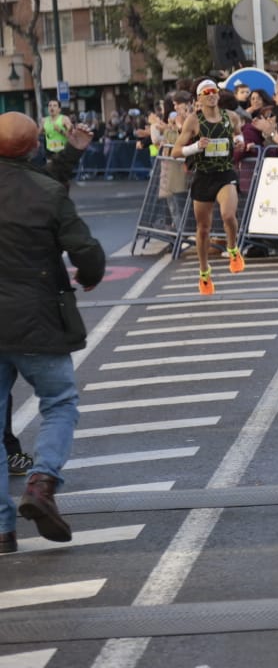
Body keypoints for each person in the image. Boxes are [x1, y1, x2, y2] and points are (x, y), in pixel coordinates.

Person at [0, 111, 105, 552]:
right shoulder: (46, 192)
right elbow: (84, 248)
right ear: (33, 146)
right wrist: (90, 272)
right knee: (59, 402)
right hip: (39, 317)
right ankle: (42, 482)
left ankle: (2, 529)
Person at [171, 78, 246, 295]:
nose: (212, 94)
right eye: (207, 92)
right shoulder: (194, 121)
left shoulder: (231, 117)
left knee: (228, 215)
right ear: (199, 98)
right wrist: (196, 146)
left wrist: (239, 140)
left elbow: (237, 132)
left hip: (225, 173)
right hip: (203, 176)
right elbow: (176, 151)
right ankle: (204, 273)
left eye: (215, 91)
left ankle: (233, 249)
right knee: (203, 229)